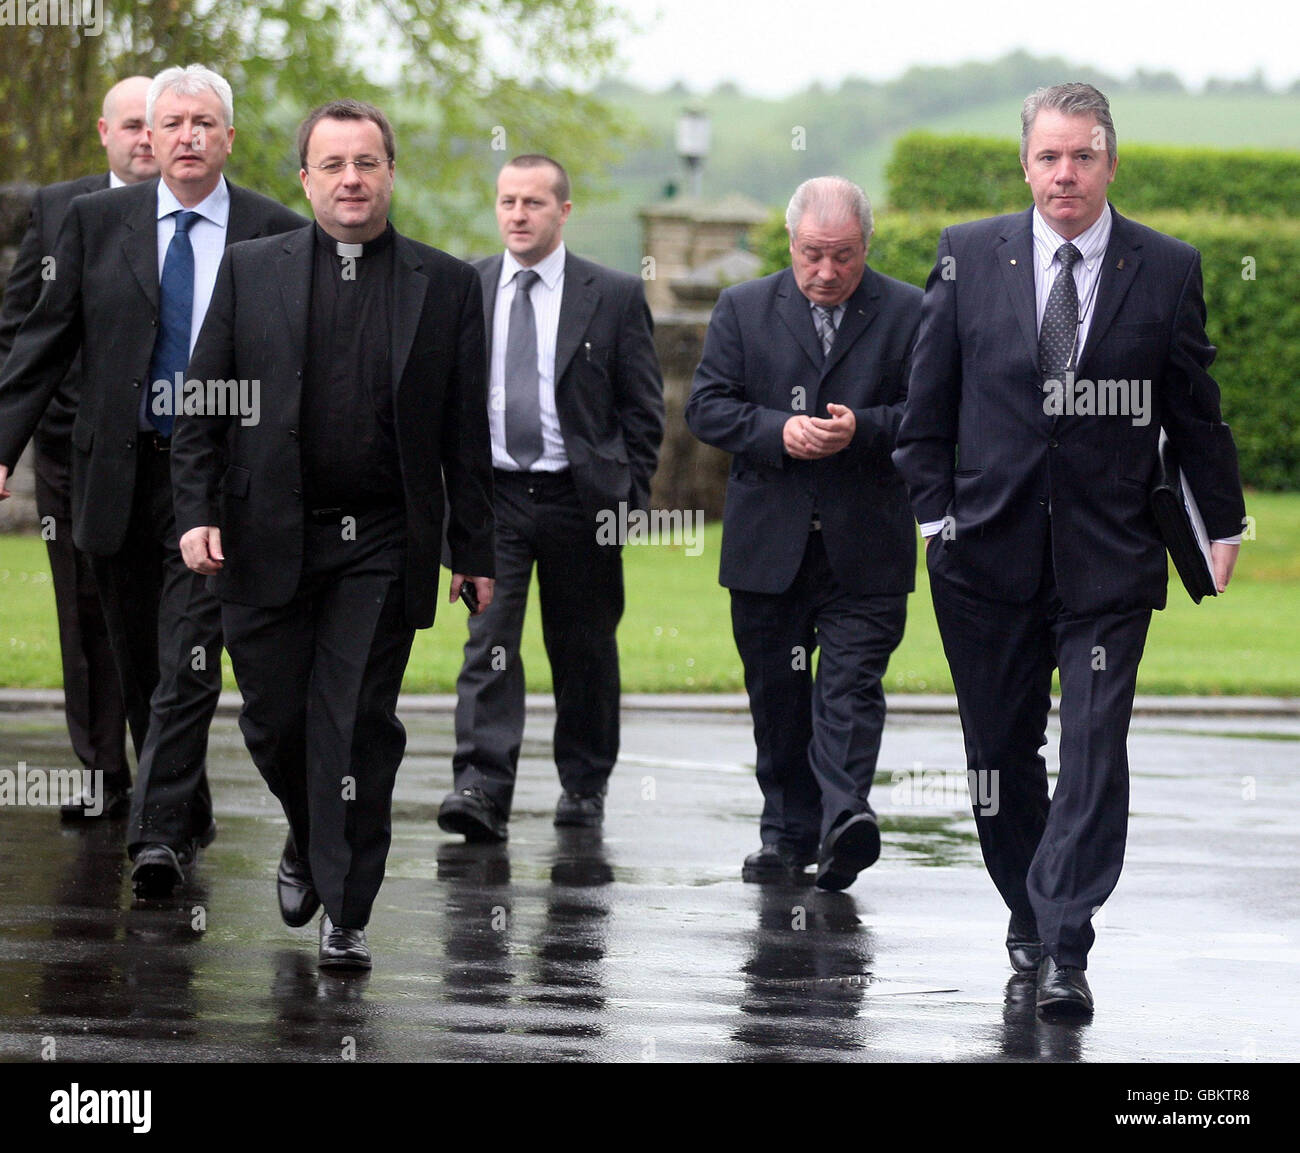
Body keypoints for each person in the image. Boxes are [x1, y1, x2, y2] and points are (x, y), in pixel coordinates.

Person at [893, 83, 1245, 1014]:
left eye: (1083, 155)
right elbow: (924, 412)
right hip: (982, 557)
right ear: (1025, 164)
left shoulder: (1165, 268)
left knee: (1094, 747)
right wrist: (937, 519)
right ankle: (1030, 912)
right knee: (1000, 756)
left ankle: (1064, 943)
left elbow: (1193, 408)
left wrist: (1225, 519)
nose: (1065, 173)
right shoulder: (970, 255)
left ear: (1110, 162)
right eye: (1049, 156)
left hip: (1109, 554)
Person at [171, 99, 496, 970]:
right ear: (306, 178)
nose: (351, 179)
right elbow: (203, 401)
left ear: (391, 173)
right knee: (275, 723)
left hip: (383, 545)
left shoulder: (448, 285)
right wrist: (197, 511)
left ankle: (346, 906)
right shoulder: (250, 270)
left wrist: (475, 550)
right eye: (333, 165)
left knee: (350, 722)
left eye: (367, 163)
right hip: (264, 533)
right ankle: (312, 832)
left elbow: (466, 433)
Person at [0, 65, 307, 896]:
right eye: (170, 123)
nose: (185, 137)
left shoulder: (273, 231)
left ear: (229, 138)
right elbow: (41, 344)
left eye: (203, 123)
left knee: (190, 658)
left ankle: (157, 835)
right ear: (149, 133)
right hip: (116, 475)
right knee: (138, 662)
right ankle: (187, 802)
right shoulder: (98, 223)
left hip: (213, 484)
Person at [686, 176, 920, 891]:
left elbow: (933, 415)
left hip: (866, 546)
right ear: (789, 244)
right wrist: (777, 430)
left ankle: (846, 817)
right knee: (779, 699)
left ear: (866, 246)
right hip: (768, 547)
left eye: (843, 256)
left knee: (849, 689)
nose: (826, 271)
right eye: (813, 254)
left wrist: (864, 429)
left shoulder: (911, 312)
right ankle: (786, 831)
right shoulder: (744, 307)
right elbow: (707, 408)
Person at [440, 154, 663, 842]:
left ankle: (584, 784)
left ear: (562, 211)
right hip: (494, 497)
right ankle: (480, 785)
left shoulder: (615, 294)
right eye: (507, 200)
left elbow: (644, 411)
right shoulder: (465, 287)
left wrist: (626, 496)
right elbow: (444, 405)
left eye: (533, 202)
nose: (517, 214)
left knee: (585, 648)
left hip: (580, 499)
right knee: (489, 642)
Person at [0, 76, 157, 821]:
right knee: (87, 613)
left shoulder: (206, 212)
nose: (146, 138)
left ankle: (172, 785)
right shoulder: (62, 209)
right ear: (105, 132)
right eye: (131, 124)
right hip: (75, 450)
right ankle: (103, 773)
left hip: (176, 449)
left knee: (176, 619)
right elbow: (21, 329)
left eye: (156, 124)